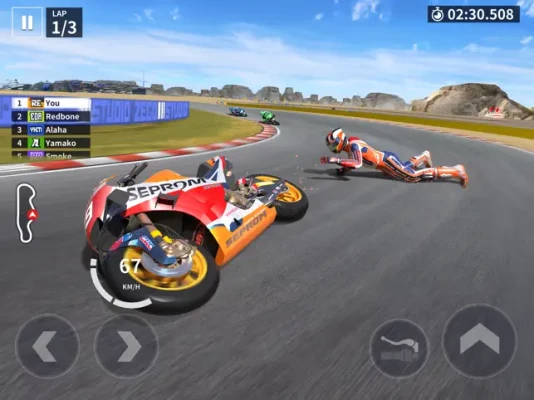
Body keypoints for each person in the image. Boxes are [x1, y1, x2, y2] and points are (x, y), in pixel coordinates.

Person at [320, 128, 468, 187]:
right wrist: (342, 171)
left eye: (334, 145)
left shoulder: (353, 146)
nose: (333, 149)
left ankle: (456, 170)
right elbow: (352, 161)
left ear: (340, 140)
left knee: (412, 177)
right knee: (404, 170)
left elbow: (357, 163)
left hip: (387, 161)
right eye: (331, 147)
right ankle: (423, 156)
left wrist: (336, 161)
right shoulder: (350, 147)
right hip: (385, 163)